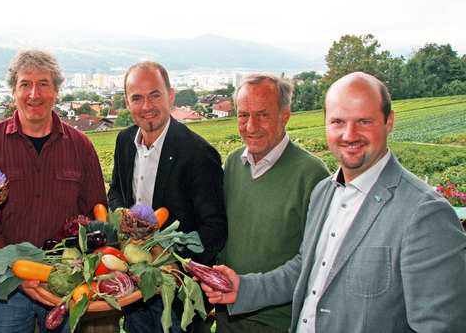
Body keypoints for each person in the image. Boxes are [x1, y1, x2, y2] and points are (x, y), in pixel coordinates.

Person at [201, 72, 466, 332]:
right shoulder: (325, 192)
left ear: (388, 122)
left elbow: (440, 325)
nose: (349, 135)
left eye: (364, 121)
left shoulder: (426, 214)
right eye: (338, 121)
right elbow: (303, 269)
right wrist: (243, 288)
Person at [0, 48, 107, 333]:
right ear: (13, 92)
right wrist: (16, 268)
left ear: (56, 91)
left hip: (65, 284)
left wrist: (71, 267)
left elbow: (95, 214)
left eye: (44, 84)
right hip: (5, 285)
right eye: (25, 85)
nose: (35, 94)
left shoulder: (81, 146)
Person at [108, 61, 228, 333]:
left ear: (170, 96)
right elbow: (116, 189)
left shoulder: (197, 152)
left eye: (155, 95)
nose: (146, 106)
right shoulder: (124, 141)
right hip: (134, 283)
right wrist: (122, 218)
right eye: (137, 98)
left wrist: (175, 262)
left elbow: (215, 227)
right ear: (127, 102)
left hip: (175, 294)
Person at [217, 74, 329, 332]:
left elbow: (314, 261)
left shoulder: (312, 174)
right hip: (228, 313)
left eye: (263, 115)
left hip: (278, 321)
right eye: (243, 115)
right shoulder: (233, 163)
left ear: (285, 115)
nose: (251, 125)